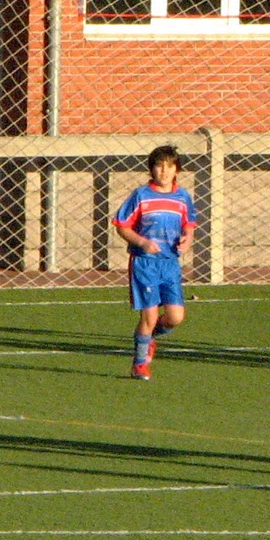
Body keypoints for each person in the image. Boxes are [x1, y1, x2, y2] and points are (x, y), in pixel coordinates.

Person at [112, 145, 196, 381]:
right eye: (159, 166)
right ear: (151, 169)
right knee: (148, 318)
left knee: (175, 317)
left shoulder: (182, 197)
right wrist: (142, 242)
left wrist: (187, 240)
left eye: (169, 166)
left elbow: (189, 225)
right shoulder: (141, 195)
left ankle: (149, 339)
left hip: (170, 264)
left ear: (177, 169)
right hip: (145, 263)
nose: (164, 171)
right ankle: (139, 364)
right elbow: (122, 226)